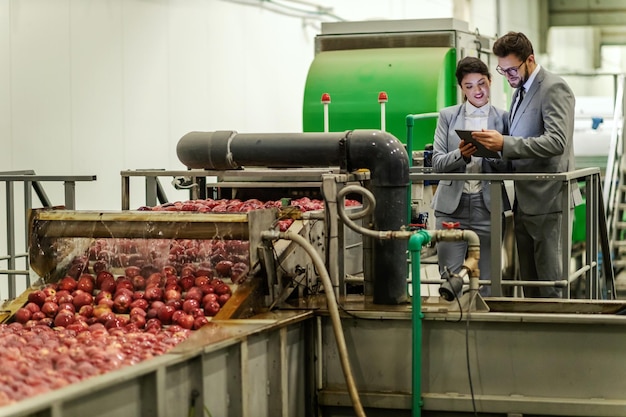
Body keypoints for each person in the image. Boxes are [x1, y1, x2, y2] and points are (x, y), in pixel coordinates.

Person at [472, 32, 580, 298]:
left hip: (550, 202)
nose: (507, 76)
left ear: (530, 59)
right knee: (531, 290)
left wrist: (505, 144)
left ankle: (554, 340)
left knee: (551, 288)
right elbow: (521, 145)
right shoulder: (519, 93)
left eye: (511, 69)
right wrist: (490, 150)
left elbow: (556, 142)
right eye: (503, 70)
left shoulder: (553, 88)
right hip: (524, 202)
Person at [431, 56, 510, 298]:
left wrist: (494, 152)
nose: (477, 91)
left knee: (486, 281)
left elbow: (512, 165)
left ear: (491, 81)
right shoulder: (447, 116)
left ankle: (484, 333)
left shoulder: (504, 118)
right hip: (450, 207)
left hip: (489, 206)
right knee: (450, 278)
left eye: (482, 83)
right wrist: (460, 155)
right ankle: (452, 331)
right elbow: (437, 163)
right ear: (461, 88)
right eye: (469, 86)